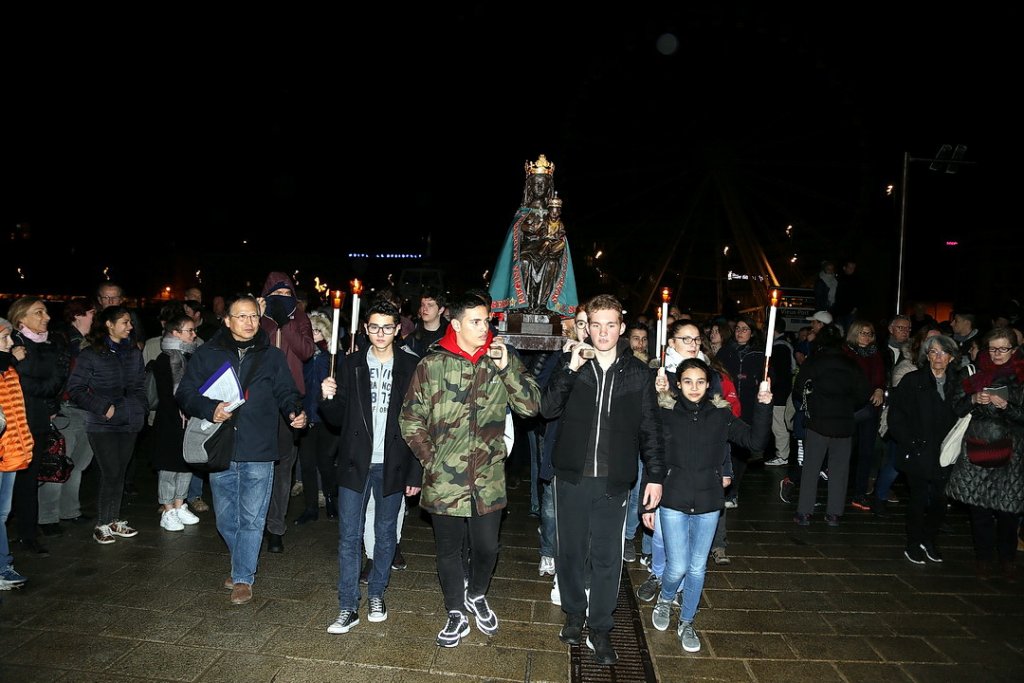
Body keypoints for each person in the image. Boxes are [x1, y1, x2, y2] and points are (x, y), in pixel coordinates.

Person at [400, 290, 541, 648]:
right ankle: (455, 611)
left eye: (487, 321)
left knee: (487, 547)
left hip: (488, 479)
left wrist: (508, 366)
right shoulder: (432, 364)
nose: (485, 328)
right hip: (445, 479)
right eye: (477, 321)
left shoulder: (500, 359)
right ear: (457, 324)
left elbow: (530, 407)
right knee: (447, 550)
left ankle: (477, 594)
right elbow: (410, 418)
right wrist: (432, 460)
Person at [541, 294, 664, 666]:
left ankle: (601, 627)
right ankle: (575, 612)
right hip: (572, 476)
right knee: (570, 552)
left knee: (608, 556)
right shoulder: (571, 363)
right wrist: (570, 369)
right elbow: (547, 408)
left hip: (615, 479)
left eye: (611, 324)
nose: (604, 332)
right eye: (596, 324)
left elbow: (651, 430)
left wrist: (655, 477)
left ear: (622, 327)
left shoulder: (638, 374)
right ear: (587, 326)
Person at [176, 295, 306, 605]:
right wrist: (211, 409)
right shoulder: (208, 354)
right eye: (242, 316)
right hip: (222, 446)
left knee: (252, 517)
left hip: (260, 448)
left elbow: (287, 391)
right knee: (225, 518)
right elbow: (184, 394)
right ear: (227, 320)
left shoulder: (272, 356)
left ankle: (244, 577)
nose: (249, 323)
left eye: (253, 317)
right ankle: (240, 564)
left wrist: (294, 412)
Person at [646, 357, 771, 652]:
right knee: (676, 566)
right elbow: (646, 440)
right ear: (679, 383)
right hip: (674, 499)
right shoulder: (667, 413)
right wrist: (655, 391)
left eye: (700, 382)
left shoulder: (721, 415)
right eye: (687, 381)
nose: (694, 387)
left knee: (698, 567)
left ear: (708, 384)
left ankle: (687, 621)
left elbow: (755, 443)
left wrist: (764, 405)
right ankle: (665, 600)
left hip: (708, 501)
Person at [320, 300, 422, 634]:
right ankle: (348, 605)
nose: (380, 333)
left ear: (397, 329)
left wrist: (415, 472)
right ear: (365, 329)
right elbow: (336, 421)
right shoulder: (349, 365)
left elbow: (421, 422)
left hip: (393, 462)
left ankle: (377, 592)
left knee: (385, 533)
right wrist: (329, 397)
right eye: (374, 327)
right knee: (349, 536)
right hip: (355, 462)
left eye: (387, 327)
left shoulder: (411, 365)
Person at [946, 328, 1024, 580]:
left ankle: (1007, 558)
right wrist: (973, 400)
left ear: (1013, 350)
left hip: (1012, 451)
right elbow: (956, 408)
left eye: (1003, 349)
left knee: (1008, 509)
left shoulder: (1021, 377)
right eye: (993, 348)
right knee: (979, 507)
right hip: (978, 445)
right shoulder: (973, 373)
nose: (997, 354)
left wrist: (1007, 407)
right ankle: (984, 558)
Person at [67, 306, 147, 545]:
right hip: (102, 423)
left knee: (119, 472)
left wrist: (140, 408)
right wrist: (104, 407)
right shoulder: (90, 354)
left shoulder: (133, 352)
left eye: (130, 322)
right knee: (110, 470)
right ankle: (102, 523)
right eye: (125, 322)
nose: (130, 327)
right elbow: (76, 389)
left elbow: (140, 385)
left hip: (130, 420)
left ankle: (114, 520)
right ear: (109, 325)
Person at [887, 334, 964, 564]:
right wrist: (909, 442)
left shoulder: (957, 384)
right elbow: (896, 416)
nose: (938, 357)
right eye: (933, 352)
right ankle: (913, 542)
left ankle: (929, 539)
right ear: (926, 355)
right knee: (918, 498)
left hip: (946, 452)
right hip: (919, 449)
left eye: (943, 352)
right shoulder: (913, 381)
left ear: (951, 357)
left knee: (941, 500)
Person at [259, 271, 317, 554]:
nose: (282, 300)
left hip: (290, 399)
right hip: (259, 400)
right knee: (257, 465)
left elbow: (306, 351)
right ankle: (254, 523)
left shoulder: (301, 318)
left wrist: (289, 324)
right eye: (276, 295)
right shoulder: (257, 318)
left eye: (287, 295)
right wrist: (266, 321)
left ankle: (275, 527)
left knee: (283, 466)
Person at [8, 297, 69, 553]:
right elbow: (13, 381)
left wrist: (32, 386)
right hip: (13, 422)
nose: (47, 317)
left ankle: (28, 534)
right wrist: (28, 381)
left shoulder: (51, 345)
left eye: (45, 312)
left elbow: (56, 381)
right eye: (38, 312)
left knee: (29, 479)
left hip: (37, 421)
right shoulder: (10, 344)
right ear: (21, 318)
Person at [793, 325, 870, 527]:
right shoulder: (851, 364)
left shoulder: (814, 362)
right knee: (839, 469)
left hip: (818, 421)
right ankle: (834, 513)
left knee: (811, 467)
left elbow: (800, 386)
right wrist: (848, 406)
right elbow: (863, 393)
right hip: (844, 423)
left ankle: (804, 512)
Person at [490, 155, 578, 316]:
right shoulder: (523, 213)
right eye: (536, 184)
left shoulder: (554, 213)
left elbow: (559, 235)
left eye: (543, 184)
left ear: (548, 187)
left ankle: (542, 305)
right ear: (530, 186)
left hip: (548, 253)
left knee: (552, 264)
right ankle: (523, 304)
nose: (539, 187)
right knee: (523, 261)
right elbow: (515, 240)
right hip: (527, 251)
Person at [150, 314, 200, 532]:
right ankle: (168, 509)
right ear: (175, 333)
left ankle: (180, 505)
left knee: (186, 464)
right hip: (170, 420)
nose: (194, 334)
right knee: (169, 467)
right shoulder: (164, 359)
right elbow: (166, 395)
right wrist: (182, 407)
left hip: (188, 418)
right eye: (189, 330)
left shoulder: (190, 357)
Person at [293, 311, 338, 524]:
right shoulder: (301, 357)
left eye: (318, 330)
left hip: (326, 419)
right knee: (308, 464)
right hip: (306, 416)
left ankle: (331, 500)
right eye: (311, 330)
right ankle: (310, 507)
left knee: (326, 463)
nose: (315, 334)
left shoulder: (332, 358)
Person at [0, 317, 33, 589]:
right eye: (4, 339)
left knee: (1, 514)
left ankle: (3, 565)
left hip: (9, 451)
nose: (11, 344)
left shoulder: (8, 371)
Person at [843, 321, 887, 511]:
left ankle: (860, 493)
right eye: (862, 333)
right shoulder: (845, 353)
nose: (866, 337)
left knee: (866, 451)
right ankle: (840, 489)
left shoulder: (874, 353)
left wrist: (878, 389)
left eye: (869, 333)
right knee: (845, 450)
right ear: (854, 334)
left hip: (869, 409)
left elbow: (880, 376)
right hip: (848, 408)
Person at [404, 288, 448, 358]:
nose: (424, 309)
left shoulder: (449, 337)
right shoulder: (411, 339)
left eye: (430, 305)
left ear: (441, 310)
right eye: (422, 305)